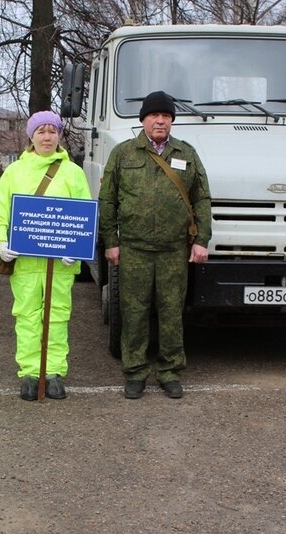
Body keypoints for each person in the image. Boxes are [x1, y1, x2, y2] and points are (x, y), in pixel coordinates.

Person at [98, 91, 212, 400]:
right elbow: (107, 200)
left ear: (172, 120)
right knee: (133, 312)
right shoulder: (123, 154)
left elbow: (201, 198)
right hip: (133, 249)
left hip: (174, 249)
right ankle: (135, 372)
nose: (160, 120)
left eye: (165, 116)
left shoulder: (186, 153)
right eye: (153, 116)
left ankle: (169, 371)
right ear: (143, 120)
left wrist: (201, 240)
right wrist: (111, 241)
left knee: (171, 311)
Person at [0, 110, 92, 401]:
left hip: (60, 265)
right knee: (28, 318)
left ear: (60, 136)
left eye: (52, 131)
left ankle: (54, 371)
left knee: (57, 317)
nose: (47, 137)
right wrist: (0, 242)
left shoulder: (72, 172)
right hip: (26, 265)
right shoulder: (15, 172)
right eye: (41, 131)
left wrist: (77, 249)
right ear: (31, 136)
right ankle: (31, 372)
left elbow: (84, 215)